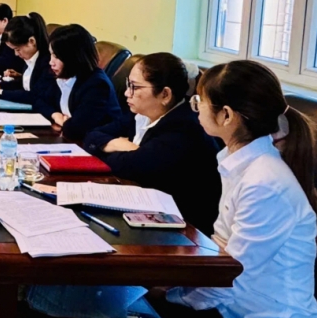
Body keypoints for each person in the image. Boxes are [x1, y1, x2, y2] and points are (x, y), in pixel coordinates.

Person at [86, 60, 317, 318]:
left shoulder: (263, 182)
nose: (195, 108)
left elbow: (228, 278)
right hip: (232, 303)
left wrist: (170, 294)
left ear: (227, 115)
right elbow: (222, 249)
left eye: (199, 102)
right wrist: (168, 286)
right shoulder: (242, 162)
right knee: (121, 305)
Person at [82, 53, 221, 234]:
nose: (126, 93)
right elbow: (91, 136)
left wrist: (113, 151)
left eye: (135, 87)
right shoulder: (142, 114)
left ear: (165, 94)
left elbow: (128, 167)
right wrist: (116, 144)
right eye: (128, 85)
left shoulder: (183, 128)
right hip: (150, 210)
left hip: (184, 230)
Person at [43, 24, 121, 141]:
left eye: (57, 57)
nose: (51, 62)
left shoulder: (97, 85)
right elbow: (39, 100)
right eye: (51, 55)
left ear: (73, 57)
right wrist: (56, 115)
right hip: (69, 139)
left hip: (94, 146)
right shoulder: (63, 75)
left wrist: (66, 124)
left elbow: (76, 130)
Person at [0, 13, 55, 109]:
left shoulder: (48, 62)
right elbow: (24, 85)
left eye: (17, 49)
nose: (16, 54)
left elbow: (34, 95)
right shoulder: (30, 58)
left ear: (32, 41)